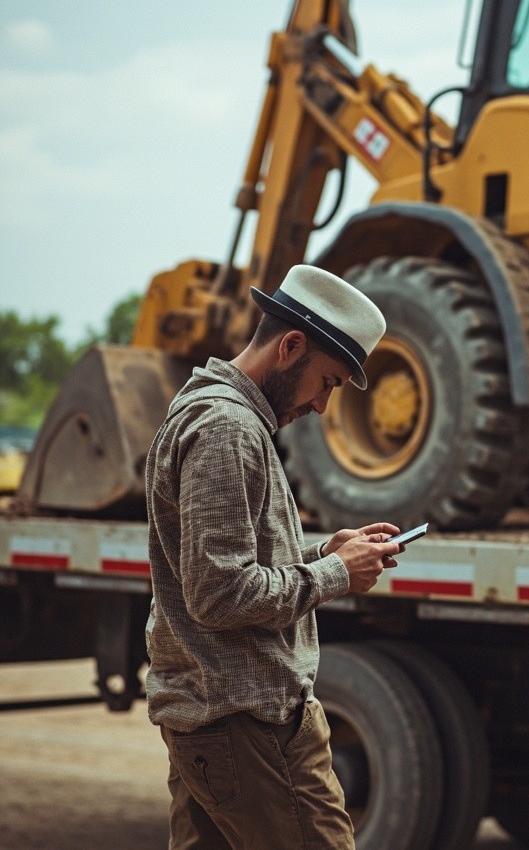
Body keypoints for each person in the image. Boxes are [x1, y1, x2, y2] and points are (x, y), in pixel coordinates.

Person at [145, 263, 398, 850]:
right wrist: (335, 574)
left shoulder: (214, 415)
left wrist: (322, 553)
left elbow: (214, 570)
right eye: (329, 382)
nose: (322, 407)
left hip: (216, 719)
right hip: (247, 726)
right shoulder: (228, 430)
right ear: (290, 347)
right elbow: (220, 595)